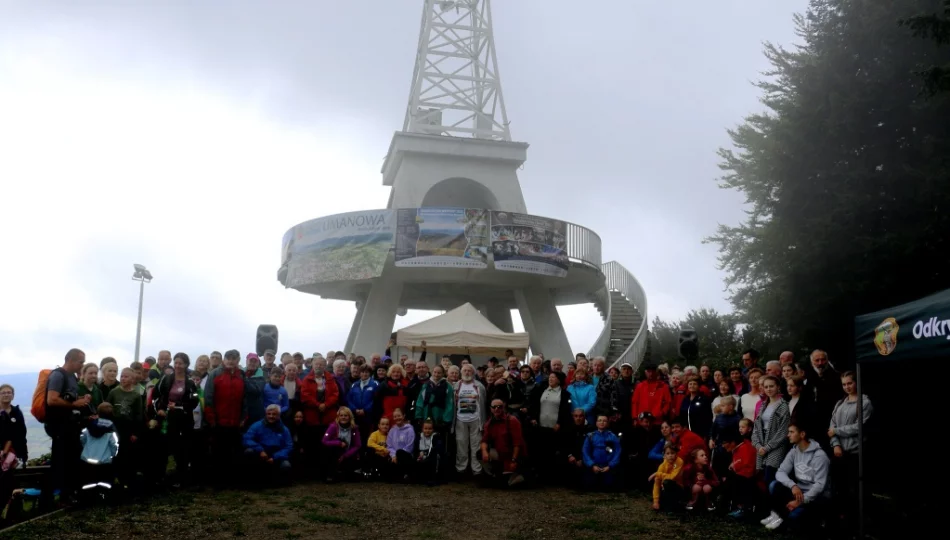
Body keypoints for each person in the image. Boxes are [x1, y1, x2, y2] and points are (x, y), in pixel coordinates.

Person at [41, 348, 90, 510]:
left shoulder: (72, 378)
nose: (82, 365)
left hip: (70, 426)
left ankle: (66, 496)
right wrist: (74, 404)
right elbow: (52, 400)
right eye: (80, 362)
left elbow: (69, 400)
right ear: (70, 360)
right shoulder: (58, 375)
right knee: (59, 462)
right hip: (59, 426)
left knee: (70, 461)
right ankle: (48, 501)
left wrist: (81, 400)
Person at [762, 422, 831, 532]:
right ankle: (780, 518)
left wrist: (800, 502)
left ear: (802, 434)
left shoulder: (820, 456)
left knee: (795, 519)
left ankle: (792, 518)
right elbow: (780, 472)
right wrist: (793, 486)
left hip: (816, 497)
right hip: (799, 492)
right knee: (774, 485)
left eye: (792, 432)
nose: (788, 435)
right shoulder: (794, 451)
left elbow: (820, 485)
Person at [828, 370, 872, 529]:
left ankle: (857, 522)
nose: (847, 387)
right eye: (844, 384)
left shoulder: (864, 403)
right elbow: (831, 426)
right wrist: (836, 444)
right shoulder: (840, 403)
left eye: (850, 383)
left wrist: (837, 431)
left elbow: (859, 426)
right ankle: (840, 520)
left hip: (855, 454)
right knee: (838, 489)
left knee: (855, 490)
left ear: (856, 382)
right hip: (839, 452)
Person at [153, 352, 200, 487]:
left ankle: (180, 478)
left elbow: (195, 400)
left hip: (184, 420)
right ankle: (159, 477)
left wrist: (180, 406)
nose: (178, 365)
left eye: (181, 363)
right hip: (167, 419)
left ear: (186, 365)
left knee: (182, 449)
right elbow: (156, 396)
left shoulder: (191, 383)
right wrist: (160, 409)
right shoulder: (166, 379)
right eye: (176, 362)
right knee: (163, 448)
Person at [204, 349, 247, 486]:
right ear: (224, 360)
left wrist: (243, 418)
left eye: (234, 358)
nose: (231, 361)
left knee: (233, 451)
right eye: (228, 358)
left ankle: (232, 480)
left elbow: (245, 399)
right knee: (218, 451)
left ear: (238, 360)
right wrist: (211, 418)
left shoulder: (242, 375)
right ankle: (217, 481)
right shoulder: (215, 374)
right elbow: (208, 397)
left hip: (235, 421)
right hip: (219, 420)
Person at [752, 375, 790, 487]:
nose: (768, 389)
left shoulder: (784, 406)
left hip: (776, 446)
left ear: (778, 387)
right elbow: (756, 427)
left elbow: (783, 431)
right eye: (766, 386)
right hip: (761, 445)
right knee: (761, 478)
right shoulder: (763, 405)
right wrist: (758, 445)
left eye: (771, 386)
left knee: (770, 477)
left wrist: (768, 447)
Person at [480, 398, 526, 487]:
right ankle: (494, 473)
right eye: (494, 407)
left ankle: (518, 474)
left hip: (514, 456)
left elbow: (518, 444)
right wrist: (484, 452)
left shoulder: (512, 420)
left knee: (508, 485)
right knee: (479, 453)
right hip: (500, 455)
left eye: (499, 407)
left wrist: (514, 460)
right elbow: (484, 441)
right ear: (490, 409)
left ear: (503, 408)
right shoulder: (489, 423)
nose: (496, 409)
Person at [243, 405, 294, 485]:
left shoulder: (284, 430)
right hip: (261, 454)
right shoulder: (256, 425)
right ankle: (251, 481)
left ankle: (276, 483)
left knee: (286, 466)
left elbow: (289, 446)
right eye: (269, 414)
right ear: (266, 414)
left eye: (274, 414)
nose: (271, 416)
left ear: (279, 415)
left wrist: (275, 457)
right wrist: (260, 450)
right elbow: (247, 439)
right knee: (249, 451)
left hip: (276, 456)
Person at [453, 364, 487, 477]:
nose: (467, 373)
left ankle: (476, 470)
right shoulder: (456, 385)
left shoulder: (479, 386)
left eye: (469, 371)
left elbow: (484, 403)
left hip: (476, 419)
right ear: (461, 372)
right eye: (465, 370)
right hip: (460, 419)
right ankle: (461, 469)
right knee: (461, 444)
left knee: (476, 445)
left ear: (473, 373)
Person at [78, 402, 119, 493]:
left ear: (98, 413)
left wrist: (86, 448)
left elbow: (82, 439)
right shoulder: (111, 429)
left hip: (87, 458)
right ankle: (103, 496)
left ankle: (88, 497)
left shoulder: (89, 426)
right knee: (105, 482)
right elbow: (114, 444)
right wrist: (113, 455)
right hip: (104, 460)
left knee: (88, 482)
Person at [322, 406, 362, 483]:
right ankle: (330, 475)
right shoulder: (333, 426)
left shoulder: (354, 428)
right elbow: (324, 441)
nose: (343, 417)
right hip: (335, 452)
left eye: (346, 415)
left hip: (348, 454)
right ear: (338, 417)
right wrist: (338, 443)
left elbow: (357, 445)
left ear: (349, 417)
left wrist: (345, 456)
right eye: (341, 415)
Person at [582, 415, 621, 491]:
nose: (602, 422)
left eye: (604, 421)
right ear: (596, 423)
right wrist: (592, 465)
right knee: (589, 486)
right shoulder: (590, 436)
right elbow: (585, 451)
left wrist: (610, 465)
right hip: (594, 466)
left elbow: (618, 451)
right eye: (599, 420)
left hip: (608, 467)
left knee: (609, 486)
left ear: (607, 423)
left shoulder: (613, 436)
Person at [649, 443, 684, 511]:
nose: (670, 455)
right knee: (656, 480)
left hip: (678, 487)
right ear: (664, 455)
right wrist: (655, 501)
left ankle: (674, 503)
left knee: (667, 482)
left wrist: (657, 473)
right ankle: (659, 501)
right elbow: (657, 482)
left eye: (672, 453)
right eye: (668, 453)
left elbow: (672, 477)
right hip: (664, 487)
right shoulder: (662, 465)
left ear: (676, 453)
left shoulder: (679, 462)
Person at [386, 408, 416, 482]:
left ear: (403, 416)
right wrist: (393, 455)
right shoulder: (392, 430)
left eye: (399, 416)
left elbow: (410, 446)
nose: (397, 418)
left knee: (400, 452)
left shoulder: (410, 430)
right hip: (395, 457)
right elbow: (389, 446)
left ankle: (407, 474)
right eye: (395, 416)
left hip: (406, 456)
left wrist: (398, 455)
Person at [414, 418, 443, 486]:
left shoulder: (435, 437)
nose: (427, 431)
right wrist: (419, 453)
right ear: (422, 429)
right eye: (425, 428)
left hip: (431, 457)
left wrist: (426, 453)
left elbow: (438, 449)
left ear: (433, 429)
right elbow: (415, 449)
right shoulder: (419, 437)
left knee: (434, 456)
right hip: (421, 457)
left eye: (430, 429)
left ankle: (432, 478)